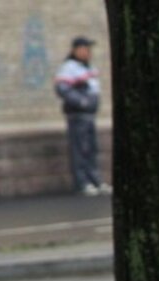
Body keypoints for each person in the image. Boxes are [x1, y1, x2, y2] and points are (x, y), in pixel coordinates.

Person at [54, 36, 109, 196]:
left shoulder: (86, 67)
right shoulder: (69, 67)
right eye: (84, 49)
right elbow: (62, 89)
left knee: (91, 148)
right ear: (75, 50)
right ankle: (82, 182)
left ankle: (95, 180)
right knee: (80, 148)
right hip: (78, 115)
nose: (88, 52)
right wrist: (81, 102)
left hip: (90, 115)